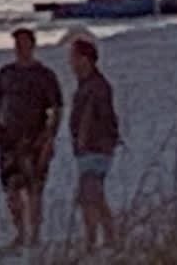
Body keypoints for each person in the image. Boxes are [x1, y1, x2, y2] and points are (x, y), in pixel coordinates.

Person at [0, 28, 62, 251]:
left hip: (34, 139)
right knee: (11, 188)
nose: (20, 48)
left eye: (24, 43)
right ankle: (20, 233)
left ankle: (35, 235)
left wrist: (49, 136)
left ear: (32, 45)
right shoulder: (6, 73)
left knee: (34, 188)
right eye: (17, 44)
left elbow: (56, 108)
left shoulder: (44, 75)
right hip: (9, 140)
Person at [67, 38, 119, 251]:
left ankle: (93, 240)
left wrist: (83, 138)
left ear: (85, 59)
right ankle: (108, 236)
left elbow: (93, 116)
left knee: (89, 195)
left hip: (95, 147)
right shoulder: (88, 84)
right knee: (94, 195)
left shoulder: (95, 86)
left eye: (73, 57)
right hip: (92, 147)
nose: (70, 62)